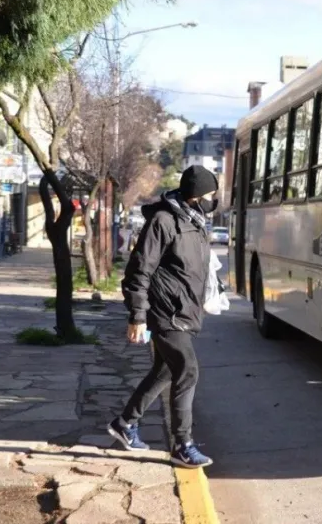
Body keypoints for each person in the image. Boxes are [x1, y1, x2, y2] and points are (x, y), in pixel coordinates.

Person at [107, 165, 219, 468]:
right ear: (196, 196)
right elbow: (139, 270)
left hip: (184, 309)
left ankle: (126, 423)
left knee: (166, 370)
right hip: (165, 311)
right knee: (187, 369)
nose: (214, 200)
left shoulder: (194, 222)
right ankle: (183, 444)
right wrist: (138, 315)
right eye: (211, 194)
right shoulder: (164, 221)